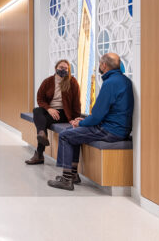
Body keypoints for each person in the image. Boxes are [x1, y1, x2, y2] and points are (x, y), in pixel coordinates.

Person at [47, 53, 134, 190]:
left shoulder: (110, 83)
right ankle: (73, 174)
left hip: (110, 131)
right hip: (118, 128)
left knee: (65, 135)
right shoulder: (124, 80)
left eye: (99, 63)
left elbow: (98, 115)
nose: (99, 66)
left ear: (104, 65)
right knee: (72, 132)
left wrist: (80, 123)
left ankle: (66, 179)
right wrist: (84, 121)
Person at [25, 59, 80, 165]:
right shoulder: (48, 81)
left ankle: (39, 154)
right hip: (49, 110)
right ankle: (42, 134)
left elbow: (76, 103)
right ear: (56, 68)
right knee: (37, 110)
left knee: (42, 121)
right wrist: (49, 109)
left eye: (66, 68)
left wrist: (75, 119)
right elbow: (40, 98)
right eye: (61, 68)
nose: (63, 70)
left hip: (64, 114)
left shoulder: (72, 82)